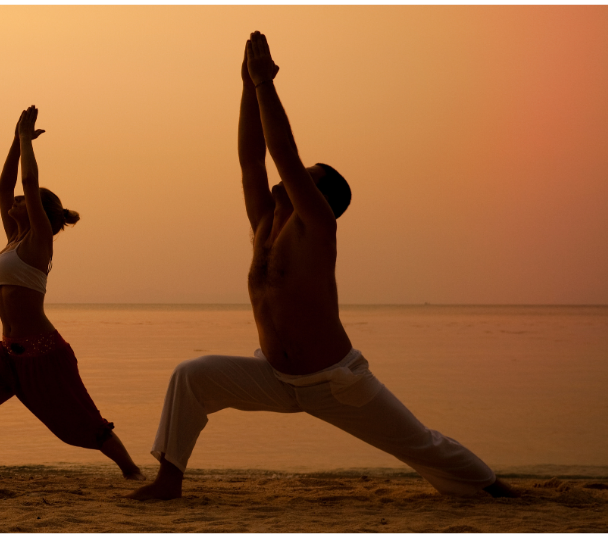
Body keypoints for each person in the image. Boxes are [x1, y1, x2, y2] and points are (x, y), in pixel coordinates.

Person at [126, 32, 515, 500]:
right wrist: (247, 87)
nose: (288, 177)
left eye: (304, 178)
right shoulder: (266, 224)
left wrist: (266, 83)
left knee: (420, 445)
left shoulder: (316, 226)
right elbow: (251, 160)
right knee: (191, 376)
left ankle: (491, 488)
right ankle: (168, 482)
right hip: (274, 376)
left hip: (335, 382)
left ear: (318, 197)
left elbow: (281, 155)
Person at [0, 107, 146, 480]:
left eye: (23, 201)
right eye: (17, 201)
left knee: (82, 422)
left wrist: (26, 141)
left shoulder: (39, 240)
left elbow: (30, 184)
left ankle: (132, 471)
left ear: (40, 211)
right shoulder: (12, 239)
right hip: (7, 354)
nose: (15, 201)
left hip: (44, 354)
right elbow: (4, 188)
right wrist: (13, 142)